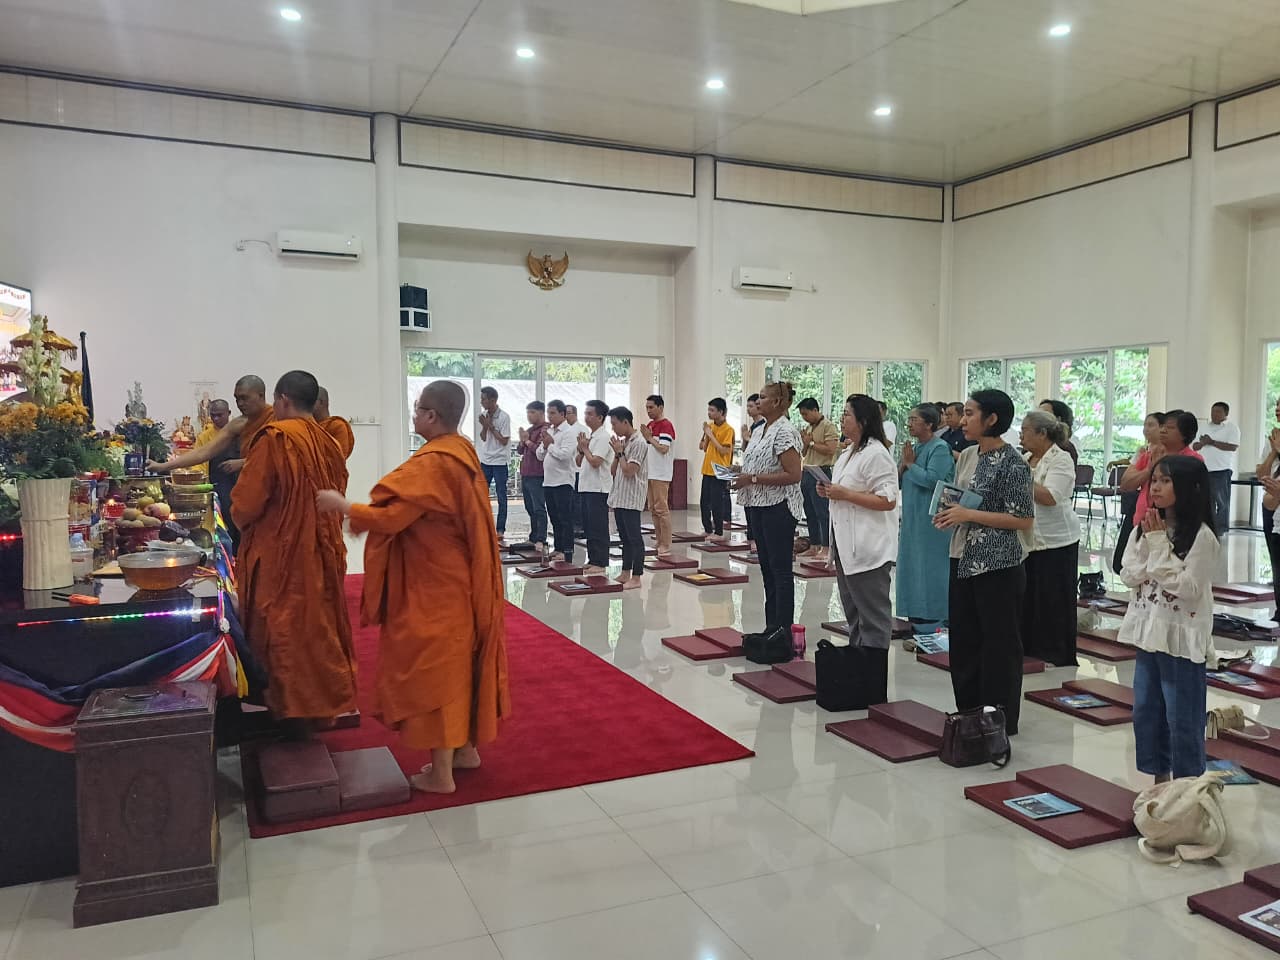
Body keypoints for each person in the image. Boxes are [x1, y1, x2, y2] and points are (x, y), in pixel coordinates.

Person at [316, 380, 509, 794]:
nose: (414, 414)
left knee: (434, 671)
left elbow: (391, 519)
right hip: (460, 579)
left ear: (431, 416)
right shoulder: (462, 451)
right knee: (461, 662)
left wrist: (342, 505)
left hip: (436, 586)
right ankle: (466, 751)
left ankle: (441, 775)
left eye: (417, 408)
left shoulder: (435, 462)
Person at [232, 371, 355, 735]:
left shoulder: (275, 439)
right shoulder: (329, 439)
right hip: (323, 550)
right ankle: (320, 707)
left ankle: (288, 712)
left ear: (282, 400)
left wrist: (242, 521)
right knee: (319, 628)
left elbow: (246, 502)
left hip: (282, 556)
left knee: (283, 630)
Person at [934, 389, 1034, 736]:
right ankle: (969, 713)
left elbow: (1022, 519)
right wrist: (949, 513)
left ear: (992, 419)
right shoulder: (967, 455)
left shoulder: (1014, 462)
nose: (963, 420)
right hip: (961, 555)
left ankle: (999, 718)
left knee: (999, 643)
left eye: (970, 414)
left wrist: (969, 513)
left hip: (998, 563)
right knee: (963, 638)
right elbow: (959, 498)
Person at [1118, 456, 1218, 782]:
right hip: (1150, 631)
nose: (1156, 487)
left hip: (1180, 635)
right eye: (1154, 481)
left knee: (1182, 717)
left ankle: (1188, 788)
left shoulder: (1202, 536)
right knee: (1147, 713)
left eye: (1165, 481)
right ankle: (1159, 781)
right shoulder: (1144, 528)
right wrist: (1154, 550)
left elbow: (1187, 588)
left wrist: (1159, 548)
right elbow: (1129, 573)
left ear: (1189, 488)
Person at [818, 395, 898, 685]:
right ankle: (857, 671)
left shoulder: (877, 453)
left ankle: (874, 681)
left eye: (847, 415)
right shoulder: (849, 452)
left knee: (873, 614)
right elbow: (842, 490)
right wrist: (828, 491)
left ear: (863, 421)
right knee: (853, 611)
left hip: (869, 546)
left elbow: (888, 500)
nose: (842, 419)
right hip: (845, 543)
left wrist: (845, 494)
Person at [731, 381, 803, 644]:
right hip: (758, 505)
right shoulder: (761, 429)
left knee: (780, 570)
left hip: (778, 507)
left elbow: (793, 475)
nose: (757, 401)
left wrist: (751, 478)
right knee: (767, 569)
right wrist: (740, 474)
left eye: (762, 398)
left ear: (777, 403)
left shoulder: (785, 431)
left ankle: (783, 630)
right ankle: (770, 626)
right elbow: (755, 466)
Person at [1020, 410, 1082, 667]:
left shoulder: (1061, 459)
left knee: (1054, 598)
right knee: (1030, 597)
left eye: (1025, 431)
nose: (1021, 437)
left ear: (1042, 434)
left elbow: (1050, 497)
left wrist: (1018, 479)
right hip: (1028, 537)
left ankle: (1056, 653)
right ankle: (1031, 648)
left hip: (1057, 539)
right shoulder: (1025, 458)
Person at [149, 374, 275, 475]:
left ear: (261, 395)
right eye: (237, 399)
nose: (240, 403)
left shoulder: (277, 420)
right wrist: (162, 466)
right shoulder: (238, 424)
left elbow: (280, 458)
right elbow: (204, 452)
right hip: (249, 487)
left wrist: (244, 463)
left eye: (244, 398)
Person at [897, 403, 954, 626]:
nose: (909, 424)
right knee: (912, 564)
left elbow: (934, 480)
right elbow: (900, 478)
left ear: (929, 424)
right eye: (909, 419)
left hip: (932, 518)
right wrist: (903, 466)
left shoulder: (939, 448)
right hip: (912, 515)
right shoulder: (916, 448)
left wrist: (910, 464)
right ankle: (915, 610)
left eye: (914, 420)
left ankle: (936, 615)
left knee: (931, 566)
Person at [1115, 412, 1164, 575]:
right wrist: (1148, 470)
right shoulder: (1143, 453)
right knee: (1123, 561)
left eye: (1151, 425)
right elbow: (1126, 482)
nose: (1146, 429)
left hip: (1157, 512)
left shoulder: (1170, 455)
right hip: (1138, 509)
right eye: (1145, 425)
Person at [608, 406, 649, 590]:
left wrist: (620, 452)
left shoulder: (639, 442)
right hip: (620, 496)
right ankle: (625, 572)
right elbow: (613, 470)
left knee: (634, 538)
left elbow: (630, 471)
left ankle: (637, 576)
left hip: (632, 497)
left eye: (615, 424)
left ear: (625, 422)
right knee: (624, 537)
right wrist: (618, 453)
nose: (613, 428)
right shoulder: (625, 443)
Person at [797, 397, 840, 561]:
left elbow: (831, 449)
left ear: (815, 410)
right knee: (809, 511)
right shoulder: (809, 428)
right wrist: (805, 443)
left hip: (821, 472)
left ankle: (826, 547)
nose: (804, 418)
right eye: (802, 415)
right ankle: (814, 545)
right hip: (807, 471)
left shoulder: (828, 426)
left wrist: (812, 443)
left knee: (822, 511)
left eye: (806, 414)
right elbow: (804, 453)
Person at [576, 399, 614, 574]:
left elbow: (595, 462)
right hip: (586, 486)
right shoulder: (590, 436)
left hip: (598, 488)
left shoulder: (604, 437)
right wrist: (580, 448)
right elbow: (579, 461)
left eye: (590, 414)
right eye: (585, 413)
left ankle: (601, 561)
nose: (586, 417)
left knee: (598, 526)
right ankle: (592, 558)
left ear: (600, 417)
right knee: (589, 525)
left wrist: (585, 449)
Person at [538, 400, 578, 564]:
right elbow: (539, 455)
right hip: (549, 481)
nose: (549, 416)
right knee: (554, 517)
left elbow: (565, 455)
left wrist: (550, 445)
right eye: (548, 413)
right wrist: (545, 445)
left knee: (564, 518)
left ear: (562, 414)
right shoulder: (551, 431)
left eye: (553, 413)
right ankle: (559, 548)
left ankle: (567, 550)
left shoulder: (568, 432)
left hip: (563, 481)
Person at [1193, 401, 1240, 538]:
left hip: (1221, 470)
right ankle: (1209, 527)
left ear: (1226, 414)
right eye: (1213, 411)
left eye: (1218, 412)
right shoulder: (1203, 427)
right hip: (1204, 469)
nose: (1214, 414)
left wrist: (1212, 442)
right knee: (1206, 501)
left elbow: (1233, 447)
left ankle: (1221, 529)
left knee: (1222, 502)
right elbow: (1195, 446)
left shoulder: (1231, 428)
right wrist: (1203, 443)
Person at [641, 395, 676, 558]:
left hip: (661, 473)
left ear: (660, 407)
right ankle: (659, 539)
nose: (648, 411)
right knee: (653, 509)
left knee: (662, 509)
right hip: (649, 472)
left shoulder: (666, 425)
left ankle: (666, 543)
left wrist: (649, 438)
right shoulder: (650, 425)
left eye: (651, 407)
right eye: (647, 407)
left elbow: (663, 448)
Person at [477, 386, 512, 546]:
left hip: (499, 461)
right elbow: (484, 438)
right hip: (486, 460)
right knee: (480, 494)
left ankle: (500, 530)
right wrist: (485, 426)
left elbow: (504, 440)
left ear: (492, 400)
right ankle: (483, 528)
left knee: (501, 496)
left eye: (484, 399)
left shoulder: (504, 417)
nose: (482, 401)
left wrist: (491, 426)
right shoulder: (484, 415)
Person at [514, 401, 550, 556]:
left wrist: (527, 441)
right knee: (530, 507)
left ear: (542, 413)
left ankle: (541, 538)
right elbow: (520, 451)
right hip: (526, 473)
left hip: (538, 474)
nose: (529, 415)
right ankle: (533, 536)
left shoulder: (545, 430)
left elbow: (539, 452)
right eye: (528, 412)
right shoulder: (529, 430)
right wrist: (522, 440)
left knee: (539, 508)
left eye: (532, 412)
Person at [698, 397, 735, 541]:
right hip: (707, 469)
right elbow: (702, 447)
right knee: (704, 501)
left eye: (712, 410)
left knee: (717, 502)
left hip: (720, 470)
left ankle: (719, 532)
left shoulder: (728, 430)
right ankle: (708, 529)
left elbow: (723, 450)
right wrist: (707, 434)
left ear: (721, 412)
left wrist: (710, 435)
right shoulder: (710, 427)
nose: (709, 413)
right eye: (709, 410)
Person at [740, 392, 765, 553]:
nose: (748, 409)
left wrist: (748, 439)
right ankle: (751, 537)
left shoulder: (764, 425)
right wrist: (744, 439)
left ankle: (757, 538)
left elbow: (761, 448)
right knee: (748, 506)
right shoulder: (753, 427)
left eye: (751, 406)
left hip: (759, 473)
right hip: (748, 470)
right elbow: (746, 450)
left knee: (756, 507)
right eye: (747, 406)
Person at [564, 404, 590, 536]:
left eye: (568, 413)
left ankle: (579, 526)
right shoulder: (565, 430)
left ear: (574, 414)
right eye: (565, 413)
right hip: (567, 470)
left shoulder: (582, 429)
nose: (566, 415)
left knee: (578, 499)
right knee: (570, 500)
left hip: (578, 469)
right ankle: (572, 524)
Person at [314, 386, 355, 460]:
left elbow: (338, 459)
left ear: (320, 402)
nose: (305, 405)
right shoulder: (306, 425)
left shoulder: (337, 426)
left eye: (309, 401)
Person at [1038, 399, 1079, 466]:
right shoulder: (1030, 443)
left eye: (1044, 414)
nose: (1037, 418)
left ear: (1058, 420)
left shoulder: (1066, 449)